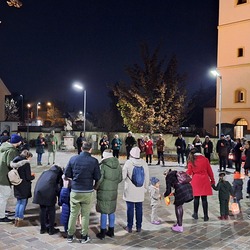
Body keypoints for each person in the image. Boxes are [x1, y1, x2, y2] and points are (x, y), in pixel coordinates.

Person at [64, 141, 101, 244]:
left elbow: (66, 174)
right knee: (85, 215)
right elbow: (97, 177)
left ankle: (70, 235)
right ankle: (84, 236)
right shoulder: (93, 161)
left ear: (81, 148)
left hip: (75, 190)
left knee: (73, 213)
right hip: (87, 191)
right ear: (91, 149)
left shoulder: (73, 159)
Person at [95, 149, 122, 240]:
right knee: (111, 210)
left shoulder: (103, 165)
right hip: (113, 191)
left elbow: (99, 179)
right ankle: (111, 230)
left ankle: (102, 232)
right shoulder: (117, 164)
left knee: (104, 211)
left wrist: (96, 187)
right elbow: (120, 178)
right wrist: (113, 184)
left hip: (103, 191)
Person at [122, 146, 149, 233]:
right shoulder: (144, 163)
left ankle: (129, 227)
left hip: (130, 189)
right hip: (140, 190)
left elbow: (123, 176)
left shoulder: (128, 163)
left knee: (130, 208)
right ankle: (139, 227)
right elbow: (147, 177)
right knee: (139, 208)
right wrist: (145, 188)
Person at [186, 147, 215, 221]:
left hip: (196, 179)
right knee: (204, 199)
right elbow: (210, 171)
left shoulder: (191, 160)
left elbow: (188, 172)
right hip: (205, 179)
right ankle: (206, 216)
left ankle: (195, 214)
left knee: (196, 198)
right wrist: (212, 181)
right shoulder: (205, 159)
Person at [33, 164, 63, 235]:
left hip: (39, 191)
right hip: (49, 193)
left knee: (42, 210)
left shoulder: (45, 172)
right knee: (51, 211)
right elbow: (59, 187)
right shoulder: (57, 175)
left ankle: (43, 228)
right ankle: (51, 229)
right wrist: (60, 200)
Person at [0, 134, 22, 223]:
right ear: (18, 142)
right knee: (4, 197)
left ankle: (2, 211)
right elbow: (11, 164)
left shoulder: (4, 147)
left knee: (1, 196)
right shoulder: (12, 151)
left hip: (1, 174)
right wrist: (22, 163)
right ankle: (1, 216)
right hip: (4, 176)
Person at [10, 150, 35, 227]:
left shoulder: (14, 162)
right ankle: (20, 220)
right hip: (24, 185)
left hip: (17, 184)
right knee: (23, 202)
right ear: (27, 156)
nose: (30, 159)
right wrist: (33, 176)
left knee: (19, 202)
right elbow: (28, 177)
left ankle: (16, 219)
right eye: (30, 157)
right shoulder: (25, 163)